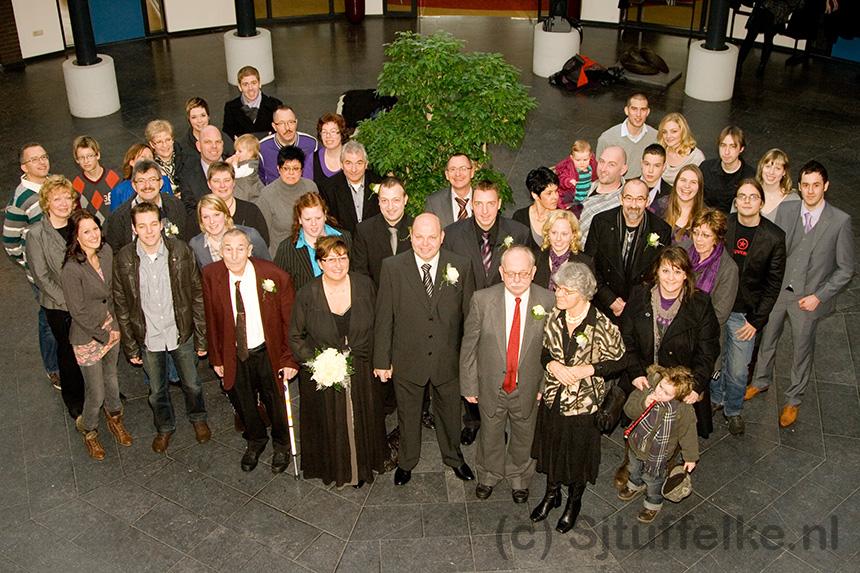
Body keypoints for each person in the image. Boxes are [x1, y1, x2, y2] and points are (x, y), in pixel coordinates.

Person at [746, 161, 854, 428]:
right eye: (805, 185)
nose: (810, 190)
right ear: (799, 186)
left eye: (816, 185)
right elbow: (773, 247)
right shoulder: (787, 209)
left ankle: (793, 399)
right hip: (779, 289)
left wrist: (819, 296)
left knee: (801, 349)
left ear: (826, 186)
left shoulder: (840, 221)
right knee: (767, 337)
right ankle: (760, 380)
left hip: (809, 298)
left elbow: (846, 269)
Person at [373, 213, 477, 486]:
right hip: (407, 357)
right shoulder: (392, 267)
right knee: (408, 414)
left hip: (448, 358)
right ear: (411, 236)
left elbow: (470, 319)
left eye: (432, 237)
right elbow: (384, 317)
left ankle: (454, 457)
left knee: (450, 414)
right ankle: (406, 461)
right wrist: (382, 359)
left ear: (442, 237)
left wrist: (470, 361)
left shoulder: (461, 265)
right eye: (419, 237)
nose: (425, 243)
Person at [530, 262, 626, 533]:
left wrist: (589, 369)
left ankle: (574, 501)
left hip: (583, 406)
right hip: (553, 398)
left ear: (583, 295)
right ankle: (551, 494)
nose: (558, 294)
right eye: (558, 288)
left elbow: (620, 360)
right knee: (552, 448)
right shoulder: (554, 315)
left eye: (566, 291)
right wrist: (552, 365)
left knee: (577, 456)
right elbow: (544, 351)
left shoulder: (601, 325)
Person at [289, 237, 388, 487]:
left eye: (342, 258)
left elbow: (381, 325)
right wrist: (319, 363)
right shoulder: (307, 294)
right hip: (327, 372)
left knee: (364, 417)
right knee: (333, 422)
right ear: (320, 263)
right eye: (331, 259)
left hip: (362, 366)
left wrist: (382, 359)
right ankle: (338, 470)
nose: (338, 264)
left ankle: (363, 467)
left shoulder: (365, 285)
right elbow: (295, 336)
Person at [112, 202, 210, 453]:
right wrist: (130, 345)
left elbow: (197, 295)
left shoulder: (181, 250)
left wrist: (201, 337)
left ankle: (198, 418)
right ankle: (164, 427)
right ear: (134, 228)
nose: (149, 231)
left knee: (192, 383)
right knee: (156, 391)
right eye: (142, 226)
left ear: (162, 225)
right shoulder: (123, 258)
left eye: (153, 224)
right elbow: (122, 305)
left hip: (180, 331)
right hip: (148, 336)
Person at [459, 246, 554, 503]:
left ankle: (519, 476)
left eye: (523, 273)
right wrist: (469, 385)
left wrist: (544, 386)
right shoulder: (482, 300)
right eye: (511, 273)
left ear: (533, 272)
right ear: (501, 272)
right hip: (492, 383)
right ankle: (488, 474)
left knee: (525, 433)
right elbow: (469, 346)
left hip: (528, 384)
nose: (516, 279)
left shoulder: (548, 301)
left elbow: (553, 350)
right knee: (490, 432)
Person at [202, 228, 299, 472]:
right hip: (234, 352)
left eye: (240, 248)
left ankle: (281, 444)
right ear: (220, 251)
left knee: (275, 401)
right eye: (228, 249)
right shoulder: (211, 275)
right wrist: (217, 358)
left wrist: (289, 359)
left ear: (250, 250)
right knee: (243, 401)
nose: (234, 255)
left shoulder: (274, 276)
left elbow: (291, 323)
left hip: (267, 351)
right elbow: (211, 319)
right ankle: (255, 439)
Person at [442, 180, 530, 444]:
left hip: (504, 318)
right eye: (478, 204)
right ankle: (472, 421)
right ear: (471, 204)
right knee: (469, 369)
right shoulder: (453, 234)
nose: (484, 211)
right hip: (466, 317)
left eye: (490, 204)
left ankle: (495, 422)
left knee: (497, 372)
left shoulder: (519, 232)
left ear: (499, 203)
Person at [620, 246, 721, 438]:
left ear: (686, 275)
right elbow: (626, 338)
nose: (671, 278)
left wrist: (695, 385)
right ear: (656, 272)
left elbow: (708, 350)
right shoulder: (639, 295)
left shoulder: (700, 304)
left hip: (680, 384)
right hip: (644, 378)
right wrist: (635, 372)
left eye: (677, 271)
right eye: (665, 270)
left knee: (674, 436)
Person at [713, 180, 785, 435]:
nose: (746, 201)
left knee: (737, 369)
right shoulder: (724, 225)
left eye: (752, 196)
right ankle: (715, 398)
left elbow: (773, 284)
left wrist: (756, 321)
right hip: (718, 306)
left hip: (745, 315)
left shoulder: (774, 237)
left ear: (761, 202)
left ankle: (733, 410)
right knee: (714, 359)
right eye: (742, 196)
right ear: (735, 200)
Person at [61, 210, 133, 460]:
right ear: (76, 237)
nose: (93, 235)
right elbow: (77, 312)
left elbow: (112, 292)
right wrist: (103, 334)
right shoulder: (72, 269)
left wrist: (116, 326)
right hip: (87, 336)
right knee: (96, 392)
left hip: (111, 327)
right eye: (86, 232)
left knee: (112, 380)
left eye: (95, 229)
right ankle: (88, 429)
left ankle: (115, 418)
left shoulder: (106, 252)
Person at [25, 176, 86, 418]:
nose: (63, 203)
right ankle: (74, 399)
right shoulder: (36, 234)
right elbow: (41, 277)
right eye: (56, 199)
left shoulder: (80, 224)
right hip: (60, 307)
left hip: (87, 299)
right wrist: (69, 302)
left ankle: (99, 391)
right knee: (69, 352)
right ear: (46, 203)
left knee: (94, 348)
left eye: (67, 198)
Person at [4, 142, 59, 387]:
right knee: (48, 319)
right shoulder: (21, 199)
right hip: (43, 275)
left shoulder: (54, 184)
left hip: (63, 267)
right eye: (34, 159)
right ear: (24, 167)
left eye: (43, 156)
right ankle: (53, 367)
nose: (41, 162)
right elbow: (10, 242)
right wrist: (33, 265)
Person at [619, 365, 699, 524]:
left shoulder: (682, 410)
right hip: (637, 443)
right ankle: (635, 484)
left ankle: (653, 503)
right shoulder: (647, 388)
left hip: (659, 455)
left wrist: (690, 457)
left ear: (678, 397)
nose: (660, 393)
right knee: (633, 467)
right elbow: (628, 409)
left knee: (654, 480)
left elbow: (688, 433)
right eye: (661, 386)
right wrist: (643, 403)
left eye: (667, 393)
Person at [585, 179, 673, 322]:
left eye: (639, 199)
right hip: (602, 303)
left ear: (648, 201)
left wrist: (632, 304)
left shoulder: (661, 230)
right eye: (629, 198)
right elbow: (589, 266)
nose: (633, 205)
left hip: (639, 308)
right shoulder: (601, 222)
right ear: (621, 199)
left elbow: (658, 275)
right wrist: (610, 300)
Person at [687, 208, 739, 370]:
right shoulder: (684, 253)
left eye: (706, 235)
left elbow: (720, 314)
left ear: (717, 237)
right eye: (696, 233)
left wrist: (686, 326)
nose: (698, 240)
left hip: (704, 340)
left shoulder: (728, 269)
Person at [104, 159, 189, 252]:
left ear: (161, 183)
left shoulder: (176, 206)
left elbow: (184, 243)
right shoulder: (118, 217)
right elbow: (116, 253)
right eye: (141, 181)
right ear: (134, 185)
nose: (147, 185)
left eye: (152, 180)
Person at [274, 192, 351, 292]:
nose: (314, 224)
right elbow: (279, 286)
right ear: (299, 219)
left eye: (318, 218)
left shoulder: (345, 238)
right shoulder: (286, 249)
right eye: (308, 219)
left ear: (325, 215)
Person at [257, 146, 319, 256]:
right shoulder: (267, 194)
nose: (291, 173)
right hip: (281, 254)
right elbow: (262, 234)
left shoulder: (310, 187)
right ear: (278, 169)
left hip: (310, 252)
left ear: (302, 170)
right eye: (286, 168)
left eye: (295, 168)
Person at [351, 176, 414, 287]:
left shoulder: (417, 228)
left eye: (396, 200)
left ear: (405, 200)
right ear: (379, 201)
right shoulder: (364, 230)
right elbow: (360, 274)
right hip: (376, 296)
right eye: (384, 201)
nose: (390, 207)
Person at [318, 140, 381, 234]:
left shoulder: (380, 183)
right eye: (348, 163)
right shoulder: (327, 188)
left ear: (366, 164)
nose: (354, 169)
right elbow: (329, 224)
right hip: (342, 241)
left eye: (359, 163)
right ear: (341, 164)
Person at [190, 194, 270, 268]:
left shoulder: (250, 235)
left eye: (216, 215)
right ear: (201, 220)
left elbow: (268, 267)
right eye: (206, 217)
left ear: (225, 215)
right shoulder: (196, 244)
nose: (212, 221)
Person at [206, 161, 269, 245]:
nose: (222, 185)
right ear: (209, 184)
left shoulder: (251, 211)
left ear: (234, 182)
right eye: (216, 181)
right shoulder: (201, 215)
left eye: (227, 180)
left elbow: (263, 243)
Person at [596, 93, 657, 179]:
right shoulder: (607, 139)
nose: (638, 114)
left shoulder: (655, 137)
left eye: (643, 109)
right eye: (634, 109)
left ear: (648, 112)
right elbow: (600, 171)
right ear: (626, 110)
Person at [737, 0, 802, 78]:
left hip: (768, 10)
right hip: (773, 12)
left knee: (752, 38)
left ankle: (740, 65)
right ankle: (759, 66)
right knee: (764, 39)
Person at [700, 126, 756, 214]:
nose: (726, 152)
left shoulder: (750, 175)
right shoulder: (706, 168)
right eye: (723, 145)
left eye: (732, 146)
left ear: (741, 149)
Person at [534, 210, 594, 291]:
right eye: (554, 233)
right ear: (547, 233)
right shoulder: (535, 258)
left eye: (564, 234)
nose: (558, 238)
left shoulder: (585, 263)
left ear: (573, 235)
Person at [578, 146, 628, 241]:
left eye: (611, 165)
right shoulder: (585, 184)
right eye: (601, 161)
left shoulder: (620, 204)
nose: (603, 169)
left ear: (623, 169)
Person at [178, 125, 230, 213]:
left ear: (222, 144)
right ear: (198, 146)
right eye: (208, 142)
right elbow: (189, 210)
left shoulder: (236, 167)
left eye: (218, 142)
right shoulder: (187, 175)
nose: (214, 146)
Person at [259, 105, 317, 183]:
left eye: (291, 122)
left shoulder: (311, 144)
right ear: (274, 126)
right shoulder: (262, 148)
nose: (287, 128)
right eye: (281, 123)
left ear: (296, 123)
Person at [222, 65, 282, 140]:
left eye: (254, 83)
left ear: (259, 84)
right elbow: (227, 135)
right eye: (245, 84)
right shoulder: (230, 108)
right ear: (240, 87)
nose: (250, 88)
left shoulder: (275, 105)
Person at [72, 135, 121, 225]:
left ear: (98, 155)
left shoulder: (114, 178)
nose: (86, 161)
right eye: (81, 157)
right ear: (77, 160)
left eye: (90, 156)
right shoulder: (76, 185)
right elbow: (77, 216)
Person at [109, 143, 173, 211]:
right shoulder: (119, 191)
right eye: (143, 157)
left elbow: (172, 207)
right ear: (132, 162)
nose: (147, 160)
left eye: (150, 157)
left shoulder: (164, 181)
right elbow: (116, 216)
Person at [512, 167, 560, 252]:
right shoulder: (520, 217)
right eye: (549, 193)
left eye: (556, 191)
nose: (555, 197)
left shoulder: (562, 217)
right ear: (535, 195)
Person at [423, 153, 476, 228]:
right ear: (447, 174)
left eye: (463, 168)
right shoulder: (434, 203)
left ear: (472, 172)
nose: (458, 174)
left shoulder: (484, 199)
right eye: (453, 169)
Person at [657, 113, 705, 186]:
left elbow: (700, 185)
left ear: (683, 132)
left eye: (674, 131)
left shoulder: (696, 157)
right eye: (664, 132)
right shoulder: (659, 153)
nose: (668, 136)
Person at [181, 97, 234, 161]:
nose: (199, 121)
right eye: (194, 117)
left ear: (208, 117)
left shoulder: (223, 138)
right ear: (189, 120)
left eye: (203, 115)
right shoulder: (182, 146)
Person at [662, 165, 705, 244]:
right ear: (676, 182)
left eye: (693, 182)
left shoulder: (705, 216)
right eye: (683, 180)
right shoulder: (658, 206)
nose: (687, 186)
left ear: (699, 187)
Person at [756, 148, 799, 220]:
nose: (771, 172)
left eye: (777, 168)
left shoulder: (793, 199)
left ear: (784, 172)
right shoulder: (749, 195)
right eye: (768, 166)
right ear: (761, 168)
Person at [554, 140, 597, 210]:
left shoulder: (591, 167)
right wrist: (568, 181)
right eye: (578, 160)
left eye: (585, 160)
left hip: (585, 198)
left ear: (590, 157)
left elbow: (595, 176)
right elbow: (561, 178)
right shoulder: (569, 169)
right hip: (572, 200)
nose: (582, 163)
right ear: (572, 158)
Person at [146, 119, 185, 194]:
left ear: (172, 140)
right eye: (159, 142)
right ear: (152, 144)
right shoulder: (149, 166)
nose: (164, 145)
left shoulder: (186, 159)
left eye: (168, 140)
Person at [312, 113, 347, 187]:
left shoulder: (353, 157)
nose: (328, 136)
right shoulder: (312, 159)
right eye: (324, 132)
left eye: (333, 131)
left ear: (341, 133)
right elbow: (306, 189)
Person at [228, 134, 264, 202]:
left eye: (240, 151)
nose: (236, 153)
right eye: (236, 151)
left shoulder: (250, 166)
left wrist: (234, 163)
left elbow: (235, 174)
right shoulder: (242, 162)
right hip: (240, 192)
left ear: (250, 153)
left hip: (248, 196)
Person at [640, 143, 669, 212]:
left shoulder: (671, 193)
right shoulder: (626, 186)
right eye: (647, 164)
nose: (650, 170)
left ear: (664, 167)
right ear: (641, 163)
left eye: (657, 166)